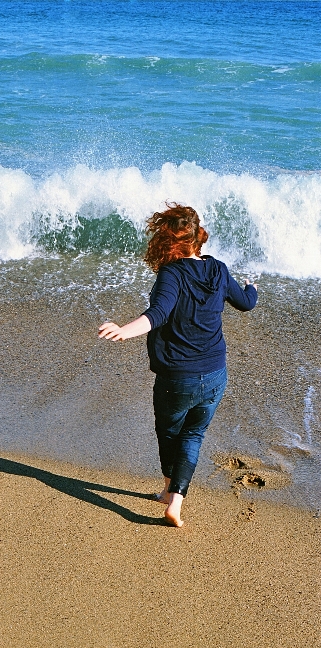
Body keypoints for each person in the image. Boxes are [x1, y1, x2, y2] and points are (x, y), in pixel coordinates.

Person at [98, 202, 258, 527]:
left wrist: (123, 331)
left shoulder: (171, 274)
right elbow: (246, 303)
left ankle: (169, 490)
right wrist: (252, 287)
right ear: (198, 237)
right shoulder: (218, 270)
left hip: (177, 378)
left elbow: (156, 315)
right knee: (194, 435)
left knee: (169, 432)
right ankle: (176, 501)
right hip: (215, 375)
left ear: (168, 241)